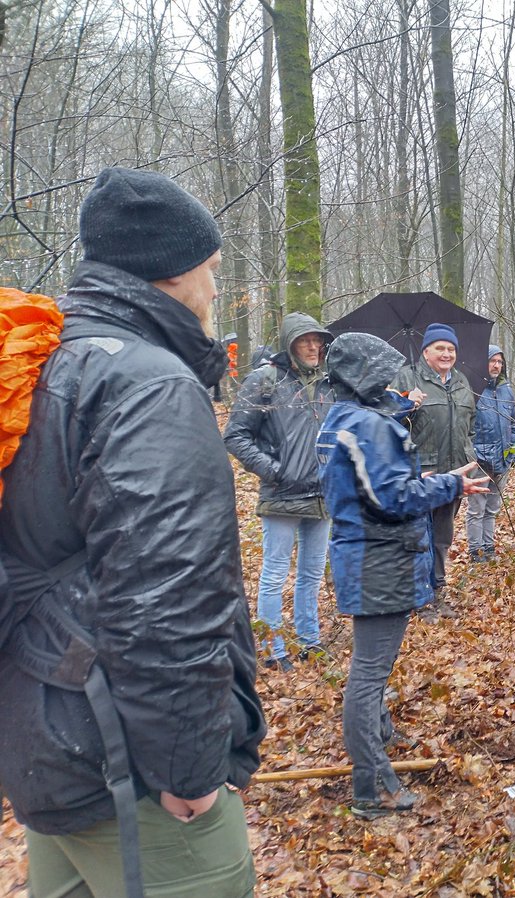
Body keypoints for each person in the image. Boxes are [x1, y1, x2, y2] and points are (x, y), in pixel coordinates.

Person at [0, 166, 265, 896]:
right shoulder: (148, 385)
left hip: (42, 733)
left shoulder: (48, 361)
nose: (215, 289)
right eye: (211, 270)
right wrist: (188, 766)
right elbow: (168, 596)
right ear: (173, 272)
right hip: (124, 761)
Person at [317, 333, 488, 818]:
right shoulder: (367, 426)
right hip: (380, 558)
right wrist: (450, 483)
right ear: (364, 376)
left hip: (365, 555)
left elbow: (379, 485)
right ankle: (372, 785)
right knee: (369, 672)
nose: (392, 380)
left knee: (372, 667)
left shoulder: (341, 419)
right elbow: (394, 498)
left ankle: (381, 740)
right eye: (383, 373)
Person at [225, 311, 335, 669]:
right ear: (290, 344)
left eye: (317, 341)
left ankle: (309, 641)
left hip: (322, 495)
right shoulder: (265, 381)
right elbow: (236, 435)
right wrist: (275, 471)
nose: (313, 346)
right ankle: (274, 649)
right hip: (282, 493)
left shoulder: (328, 384)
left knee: (311, 573)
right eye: (305, 340)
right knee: (274, 574)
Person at [398, 323, 477, 605]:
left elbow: (471, 424)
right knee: (419, 535)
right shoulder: (406, 378)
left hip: (455, 471)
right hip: (422, 472)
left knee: (442, 535)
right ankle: (418, 595)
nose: (447, 354)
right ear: (426, 351)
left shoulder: (462, 382)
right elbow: (383, 421)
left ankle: (437, 587)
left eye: (451, 349)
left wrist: (469, 453)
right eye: (440, 348)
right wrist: (404, 403)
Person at [467, 344, 515, 562]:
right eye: (493, 361)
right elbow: (466, 427)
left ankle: (489, 549)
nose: (497, 365)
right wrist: (474, 455)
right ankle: (475, 552)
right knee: (476, 510)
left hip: (502, 460)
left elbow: (514, 425)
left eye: (500, 361)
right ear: (484, 362)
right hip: (480, 461)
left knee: (492, 508)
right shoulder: (473, 390)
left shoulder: (507, 390)